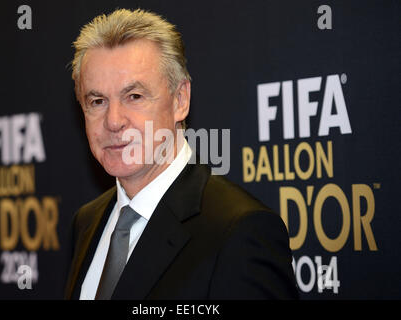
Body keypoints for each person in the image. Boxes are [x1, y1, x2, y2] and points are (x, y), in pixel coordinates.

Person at [64, 8, 298, 300]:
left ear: (180, 100)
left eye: (134, 96)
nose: (113, 121)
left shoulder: (239, 232)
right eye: (97, 101)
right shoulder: (86, 223)